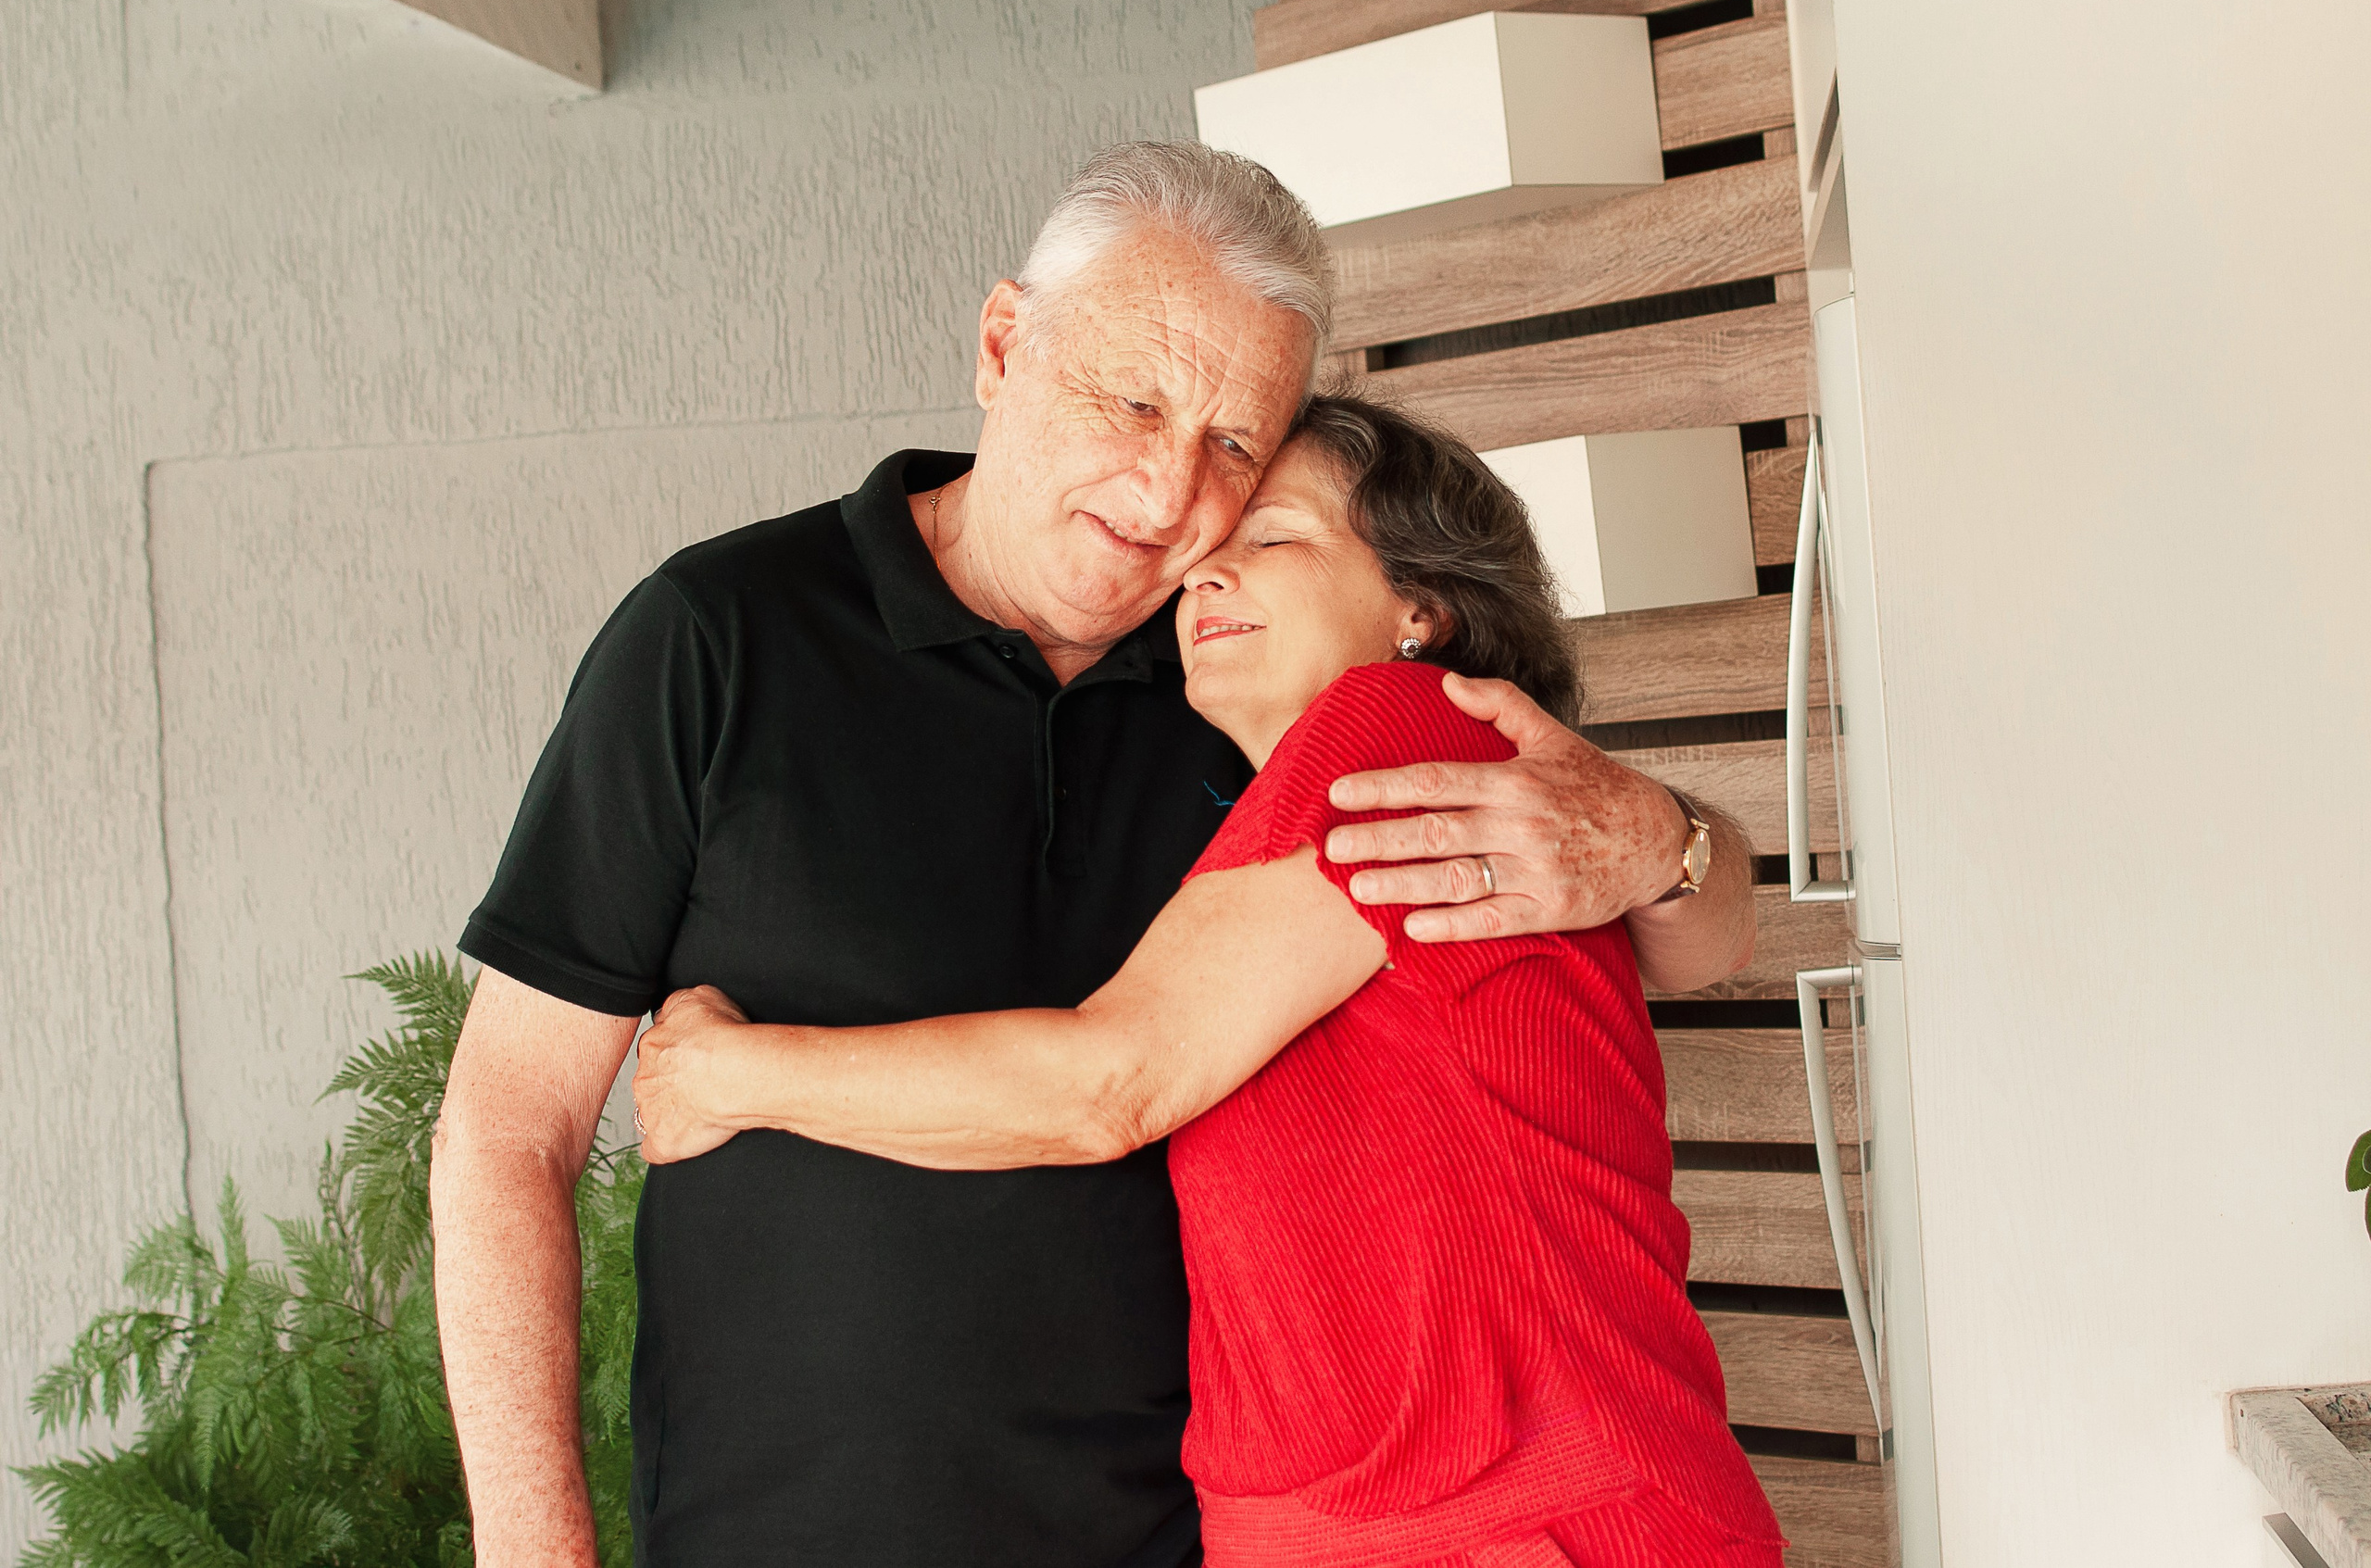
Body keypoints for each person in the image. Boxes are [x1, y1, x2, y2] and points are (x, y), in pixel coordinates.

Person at [430, 143, 1756, 1568]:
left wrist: (1672, 839)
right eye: (1133, 398)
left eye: (1236, 448)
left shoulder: (1250, 698)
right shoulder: (720, 636)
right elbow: (509, 1131)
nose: (1171, 488)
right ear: (1004, 346)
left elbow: (1128, 1074)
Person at [632, 395, 1786, 1568]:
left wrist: (730, 1071)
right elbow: (1697, 944)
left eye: (1271, 536)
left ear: (1419, 608)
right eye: (1202, 555)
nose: (1208, 578)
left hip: (1509, 1515)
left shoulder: (1393, 738)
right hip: (1364, 1522)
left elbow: (1107, 1084)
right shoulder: (1308, 801)